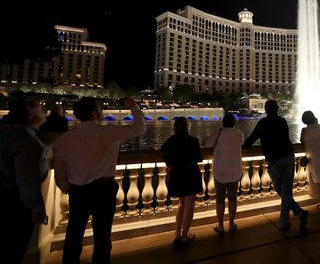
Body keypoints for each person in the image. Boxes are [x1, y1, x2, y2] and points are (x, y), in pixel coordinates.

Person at [52, 97, 146, 263]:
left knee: (74, 235)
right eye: (100, 108)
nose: (103, 110)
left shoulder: (62, 141)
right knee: (102, 236)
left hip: (78, 191)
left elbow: (60, 176)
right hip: (103, 190)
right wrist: (134, 107)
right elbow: (139, 127)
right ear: (95, 113)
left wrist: (70, 188)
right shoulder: (108, 132)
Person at [242, 99, 309, 232]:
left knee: (282, 190)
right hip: (288, 157)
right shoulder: (282, 121)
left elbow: (252, 139)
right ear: (277, 109)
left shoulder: (263, 123)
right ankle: (298, 212)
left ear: (266, 109)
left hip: (275, 160)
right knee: (285, 191)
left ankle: (285, 222)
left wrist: (242, 146)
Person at [0, 98, 48, 264]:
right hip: (13, 206)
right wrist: (37, 208)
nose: (45, 112)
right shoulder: (26, 140)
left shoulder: (6, 132)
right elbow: (27, 179)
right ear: (31, 117)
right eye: (41, 110)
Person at [161, 116, 203, 247]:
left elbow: (163, 151)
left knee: (181, 204)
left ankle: (177, 234)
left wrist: (169, 163)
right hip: (190, 173)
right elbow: (199, 158)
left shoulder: (172, 140)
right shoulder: (193, 140)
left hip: (177, 174)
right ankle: (185, 236)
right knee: (190, 205)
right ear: (187, 127)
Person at [202, 113, 244, 235]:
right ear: (234, 123)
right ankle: (231, 224)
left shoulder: (219, 133)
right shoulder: (239, 133)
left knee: (220, 200)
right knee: (233, 198)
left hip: (220, 171)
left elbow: (206, 142)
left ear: (223, 123)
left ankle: (220, 226)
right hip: (235, 170)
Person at [300, 110, 320, 212]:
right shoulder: (319, 126)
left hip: (313, 157)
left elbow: (302, 141)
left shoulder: (305, 130)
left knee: (317, 180)